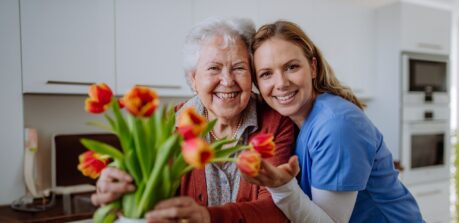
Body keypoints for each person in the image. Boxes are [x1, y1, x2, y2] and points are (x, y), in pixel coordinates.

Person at [92, 17, 295, 223]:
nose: (227, 80)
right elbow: (143, 188)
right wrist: (117, 185)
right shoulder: (169, 125)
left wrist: (206, 217)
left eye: (239, 68)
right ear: (193, 79)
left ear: (251, 75)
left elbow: (277, 208)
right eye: (214, 68)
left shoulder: (275, 123)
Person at [243, 20, 424, 222]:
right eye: (266, 74)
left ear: (312, 67)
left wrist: (281, 187)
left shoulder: (336, 126)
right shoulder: (296, 122)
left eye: (291, 67)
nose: (281, 83)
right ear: (257, 84)